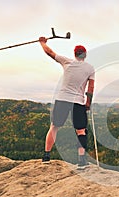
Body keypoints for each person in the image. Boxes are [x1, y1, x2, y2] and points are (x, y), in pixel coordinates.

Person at [39, 37, 95, 169]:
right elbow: (91, 88)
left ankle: (46, 156)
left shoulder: (67, 62)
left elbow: (50, 53)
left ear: (75, 54)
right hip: (78, 102)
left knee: (54, 127)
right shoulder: (90, 68)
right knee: (81, 131)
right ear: (85, 55)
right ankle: (81, 160)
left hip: (62, 99)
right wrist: (88, 103)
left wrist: (42, 42)